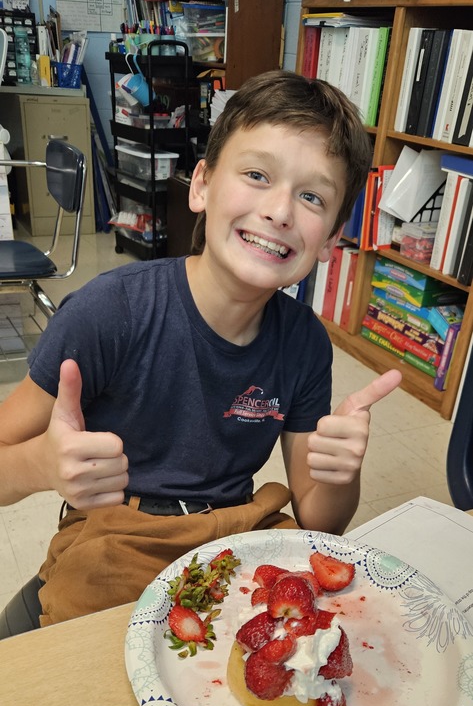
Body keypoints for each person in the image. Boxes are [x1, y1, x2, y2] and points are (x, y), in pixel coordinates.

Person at [0, 70, 401, 636]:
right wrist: (42, 464)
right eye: (257, 175)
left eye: (312, 196)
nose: (280, 211)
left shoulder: (304, 341)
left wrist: (340, 472)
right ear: (202, 186)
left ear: (332, 237)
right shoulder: (110, 312)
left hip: (236, 533)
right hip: (118, 534)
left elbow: (319, 520)